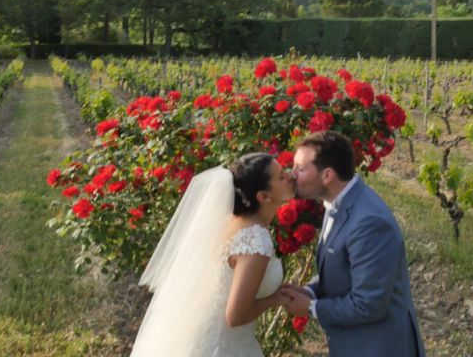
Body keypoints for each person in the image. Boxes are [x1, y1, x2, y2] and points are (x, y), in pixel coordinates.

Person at [130, 152, 294, 356]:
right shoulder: (255, 239)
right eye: (281, 176)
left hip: (200, 334)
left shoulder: (229, 223)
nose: (290, 175)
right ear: (263, 196)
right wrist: (276, 299)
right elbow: (235, 316)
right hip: (221, 346)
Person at [282, 131, 425, 357]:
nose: (292, 175)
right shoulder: (339, 202)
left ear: (327, 175)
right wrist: (309, 290)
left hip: (379, 347)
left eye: (300, 169)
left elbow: (368, 304)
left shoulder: (370, 222)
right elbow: (345, 269)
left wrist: (311, 308)